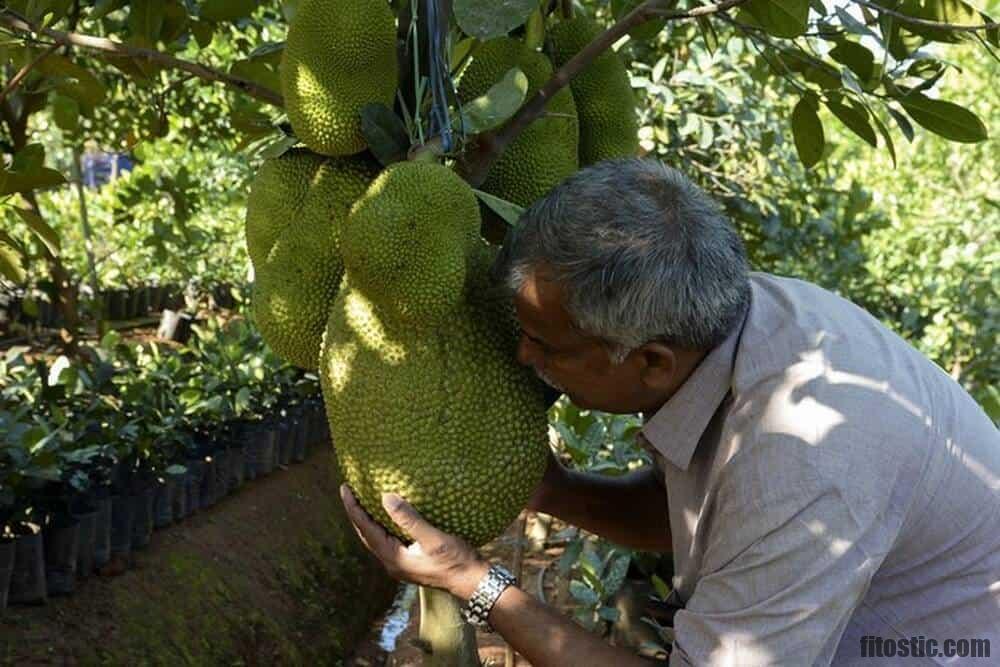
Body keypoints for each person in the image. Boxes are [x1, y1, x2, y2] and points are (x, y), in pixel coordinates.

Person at [341, 158, 1000, 666]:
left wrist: (475, 580)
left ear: (650, 361)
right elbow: (686, 517)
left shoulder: (800, 468)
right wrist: (556, 490)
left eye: (547, 345)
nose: (520, 355)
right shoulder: (736, 330)